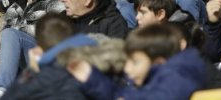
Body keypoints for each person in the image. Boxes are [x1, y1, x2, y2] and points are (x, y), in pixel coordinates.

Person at [67, 23, 207, 100]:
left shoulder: (179, 75)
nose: (127, 69)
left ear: (158, 62)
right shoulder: (153, 80)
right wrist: (92, 78)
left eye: (135, 62)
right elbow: (122, 94)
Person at [2, 13, 95, 99]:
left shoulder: (46, 76)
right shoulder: (92, 62)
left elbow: (10, 97)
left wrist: (32, 69)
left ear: (39, 44)